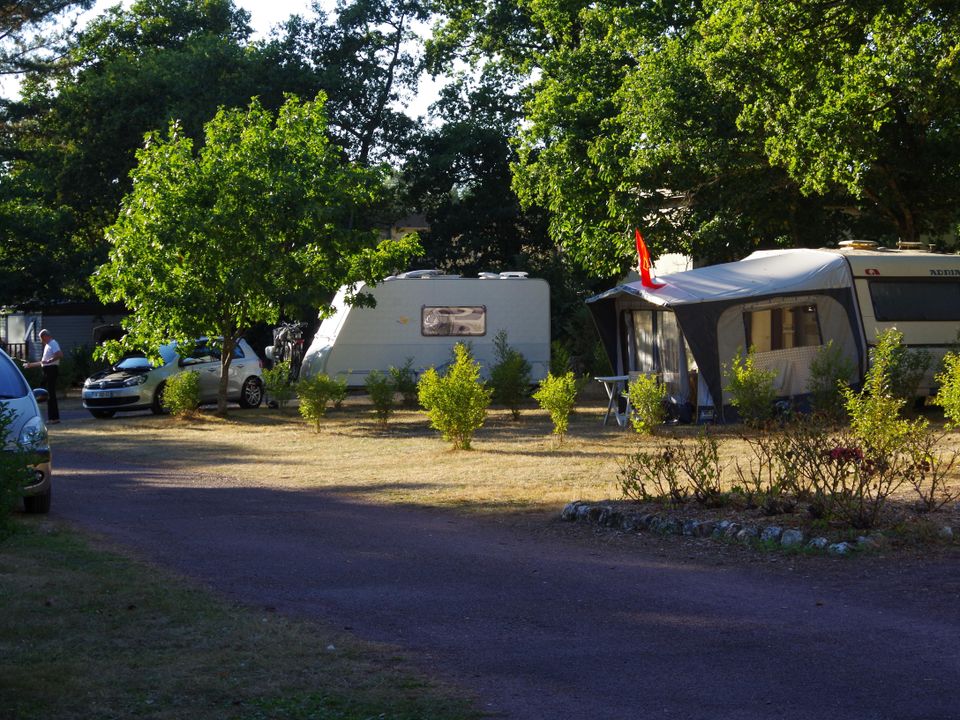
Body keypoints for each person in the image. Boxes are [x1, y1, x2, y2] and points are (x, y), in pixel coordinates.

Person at [23, 329, 62, 424]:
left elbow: (59, 354)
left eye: (41, 338)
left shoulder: (53, 343)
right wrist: (30, 365)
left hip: (51, 370)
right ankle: (52, 418)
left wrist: (49, 361)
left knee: (49, 394)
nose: (41, 341)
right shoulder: (48, 346)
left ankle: (54, 418)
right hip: (47, 370)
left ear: (45, 336)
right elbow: (42, 362)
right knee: (47, 393)